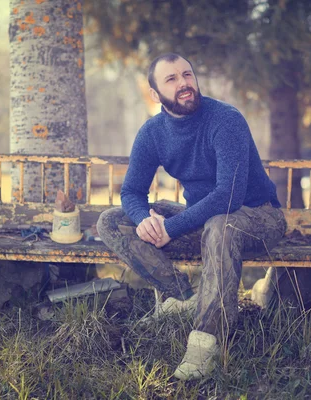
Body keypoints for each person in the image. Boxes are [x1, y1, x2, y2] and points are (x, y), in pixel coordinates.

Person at [96, 53, 287, 380]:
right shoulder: (153, 133)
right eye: (171, 79)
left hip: (258, 217)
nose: (184, 83)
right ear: (155, 94)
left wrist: (170, 228)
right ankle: (182, 296)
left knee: (220, 223)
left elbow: (229, 196)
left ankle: (205, 343)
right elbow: (131, 192)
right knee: (112, 220)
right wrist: (145, 220)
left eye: (187, 75)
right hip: (202, 218)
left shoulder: (225, 119)